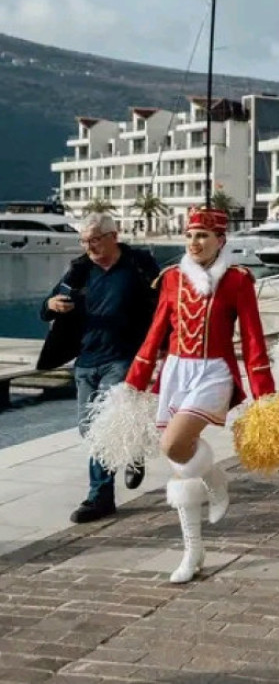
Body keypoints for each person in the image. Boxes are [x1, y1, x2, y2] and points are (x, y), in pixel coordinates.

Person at [124, 207, 276, 583]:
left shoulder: (238, 281)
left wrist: (265, 395)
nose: (195, 242)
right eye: (190, 235)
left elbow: (254, 338)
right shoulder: (172, 278)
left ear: (221, 241)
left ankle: (213, 482)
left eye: (204, 236)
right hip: (176, 371)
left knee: (174, 445)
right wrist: (135, 380)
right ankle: (194, 549)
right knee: (179, 464)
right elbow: (156, 331)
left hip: (214, 373)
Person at [38, 213, 160, 524]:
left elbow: (164, 304)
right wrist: (51, 305)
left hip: (123, 359)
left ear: (113, 236)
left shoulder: (138, 267)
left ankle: (100, 496)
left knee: (104, 427)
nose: (88, 246)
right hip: (85, 362)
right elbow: (47, 307)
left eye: (93, 239)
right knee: (87, 429)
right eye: (83, 241)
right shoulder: (79, 270)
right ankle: (132, 450)